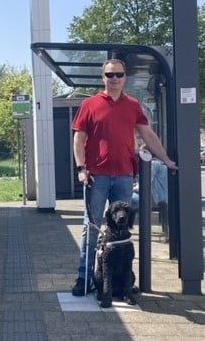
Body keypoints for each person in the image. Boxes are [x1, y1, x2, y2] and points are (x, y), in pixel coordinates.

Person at [71, 58, 177, 296]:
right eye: (110, 75)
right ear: (103, 78)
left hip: (124, 177)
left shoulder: (132, 105)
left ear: (125, 77)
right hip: (96, 177)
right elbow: (78, 139)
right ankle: (84, 277)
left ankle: (123, 281)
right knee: (92, 228)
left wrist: (167, 160)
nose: (115, 79)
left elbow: (148, 135)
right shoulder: (89, 104)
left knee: (123, 231)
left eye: (119, 74)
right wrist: (81, 168)